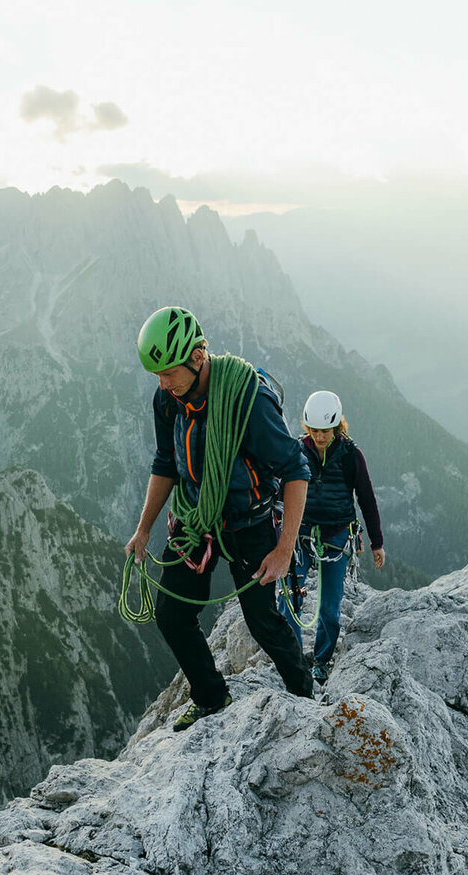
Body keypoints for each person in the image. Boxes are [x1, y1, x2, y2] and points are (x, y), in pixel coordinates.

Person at [125, 306, 313, 731]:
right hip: (195, 518)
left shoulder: (248, 398)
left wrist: (284, 549)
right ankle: (211, 696)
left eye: (168, 372)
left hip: (250, 523)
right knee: (171, 614)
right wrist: (143, 529)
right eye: (156, 374)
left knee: (263, 622)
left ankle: (305, 698)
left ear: (197, 357)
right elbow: (165, 463)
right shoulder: (168, 398)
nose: (162, 383)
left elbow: (296, 469)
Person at [278, 390, 385, 684]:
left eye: (324, 431)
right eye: (313, 430)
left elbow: (366, 499)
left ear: (336, 427)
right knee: (288, 600)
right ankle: (293, 663)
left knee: (329, 608)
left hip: (337, 536)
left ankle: (322, 661)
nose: (319, 436)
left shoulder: (351, 456)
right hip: (300, 534)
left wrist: (377, 542)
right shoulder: (297, 451)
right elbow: (280, 490)